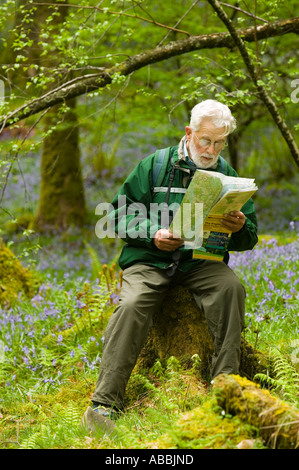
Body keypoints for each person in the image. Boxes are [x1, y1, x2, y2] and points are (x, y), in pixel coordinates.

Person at [83, 99, 258, 430]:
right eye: (206, 140)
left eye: (220, 142)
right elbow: (118, 214)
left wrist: (238, 227)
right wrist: (154, 234)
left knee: (231, 288)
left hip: (200, 262)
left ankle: (227, 386)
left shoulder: (226, 174)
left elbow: (250, 237)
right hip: (151, 259)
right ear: (190, 132)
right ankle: (104, 404)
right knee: (132, 304)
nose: (212, 149)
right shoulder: (155, 165)